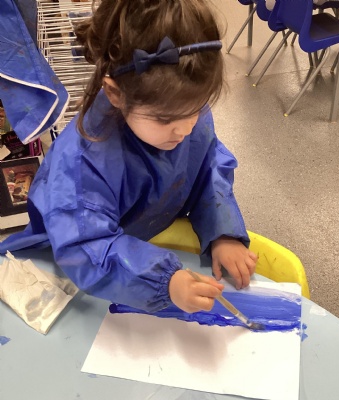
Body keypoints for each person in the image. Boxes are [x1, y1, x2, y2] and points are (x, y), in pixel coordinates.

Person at [0, 0, 257, 314]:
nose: (185, 129)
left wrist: (223, 232)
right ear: (115, 94)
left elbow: (208, 169)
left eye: (197, 110)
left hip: (146, 239)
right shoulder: (80, 165)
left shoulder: (182, 110)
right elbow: (87, 245)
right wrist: (163, 281)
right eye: (165, 119)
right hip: (70, 263)